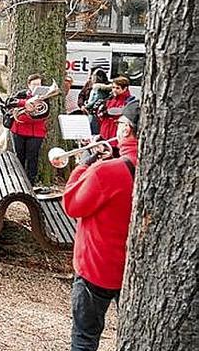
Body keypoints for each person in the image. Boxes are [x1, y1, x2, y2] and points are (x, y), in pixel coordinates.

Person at [63, 100, 139, 351]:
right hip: (134, 271)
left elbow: (72, 205)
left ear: (126, 129)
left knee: (85, 337)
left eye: (119, 124)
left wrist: (83, 165)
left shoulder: (107, 171)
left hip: (96, 267)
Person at [9, 74, 48, 185]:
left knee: (32, 157)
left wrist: (28, 115)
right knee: (19, 156)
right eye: (34, 84)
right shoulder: (21, 94)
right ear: (28, 85)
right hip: (19, 131)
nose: (36, 87)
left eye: (39, 84)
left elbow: (44, 114)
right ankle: (18, 180)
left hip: (36, 133)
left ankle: (31, 181)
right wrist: (24, 103)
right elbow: (9, 102)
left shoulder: (45, 97)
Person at [97, 76, 135, 141]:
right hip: (105, 131)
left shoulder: (129, 100)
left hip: (118, 132)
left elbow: (122, 112)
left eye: (117, 88)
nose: (114, 90)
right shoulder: (110, 99)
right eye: (113, 87)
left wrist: (107, 112)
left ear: (125, 88)